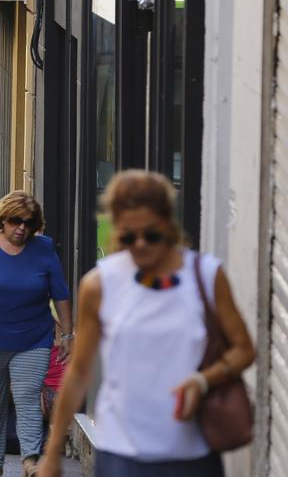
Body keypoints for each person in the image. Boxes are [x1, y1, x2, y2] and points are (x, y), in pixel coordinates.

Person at [39, 170, 256, 477]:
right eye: (128, 237)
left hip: (192, 452)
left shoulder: (206, 276)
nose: (140, 245)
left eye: (151, 235)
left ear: (168, 224)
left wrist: (203, 380)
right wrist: (51, 454)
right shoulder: (100, 284)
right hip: (121, 453)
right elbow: (79, 373)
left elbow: (244, 349)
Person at [0, 191, 71, 477]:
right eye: (15, 221)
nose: (21, 227)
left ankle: (30, 461)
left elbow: (60, 294)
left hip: (33, 339)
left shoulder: (44, 248)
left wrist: (69, 334)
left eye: (29, 222)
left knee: (27, 398)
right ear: (2, 220)